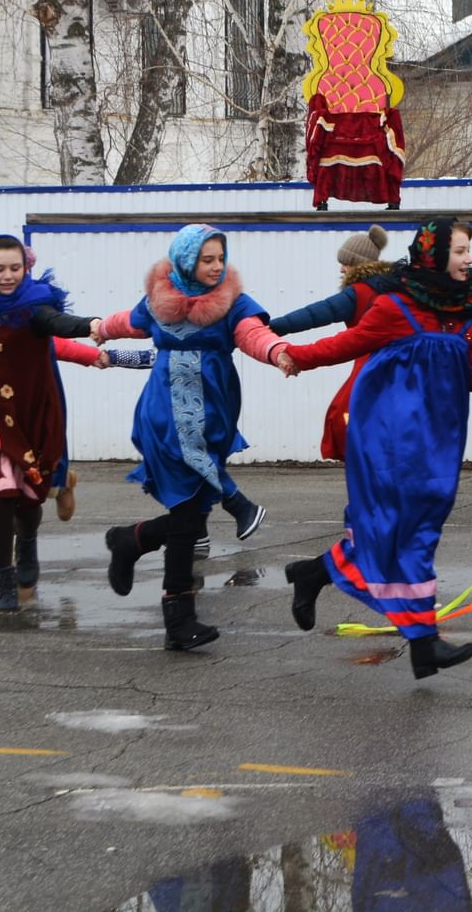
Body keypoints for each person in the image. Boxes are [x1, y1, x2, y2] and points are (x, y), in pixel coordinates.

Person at [276, 220, 472, 676]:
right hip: (386, 437)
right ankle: (425, 642)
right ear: (435, 253)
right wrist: (295, 356)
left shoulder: (468, 309)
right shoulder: (396, 305)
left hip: (439, 437)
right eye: (461, 250)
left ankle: (315, 573)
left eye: (469, 251)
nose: (469, 259)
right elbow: (347, 343)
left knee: (418, 526)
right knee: (400, 530)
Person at [94, 225, 288, 650]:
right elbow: (130, 322)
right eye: (207, 259)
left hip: (212, 416)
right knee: (187, 514)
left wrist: (277, 352)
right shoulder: (159, 297)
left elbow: (253, 333)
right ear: (185, 260)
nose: (216, 266)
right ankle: (178, 621)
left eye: (220, 258)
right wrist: (100, 328)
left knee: (192, 514)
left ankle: (130, 540)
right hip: (166, 414)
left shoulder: (233, 301)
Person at [0, 234, 106, 611]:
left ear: (26, 267)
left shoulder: (35, 308)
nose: (7, 276)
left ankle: (29, 543)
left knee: (29, 496)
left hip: (30, 416)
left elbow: (59, 322)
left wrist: (92, 325)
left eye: (15, 268)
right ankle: (4, 580)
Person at [266, 224, 398, 464]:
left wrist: (275, 326)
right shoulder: (395, 289)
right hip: (400, 367)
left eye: (346, 262)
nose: (341, 267)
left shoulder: (358, 292)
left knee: (343, 416)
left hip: (370, 366)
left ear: (358, 265)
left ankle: (363, 472)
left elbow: (317, 313)